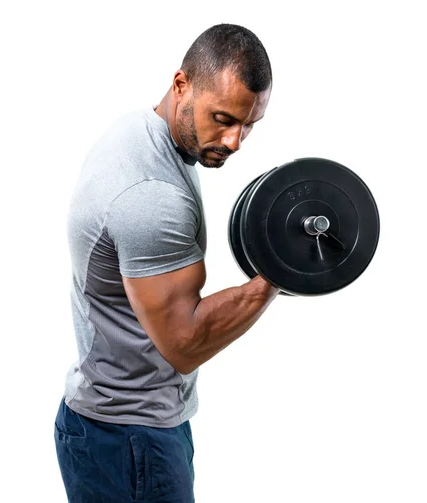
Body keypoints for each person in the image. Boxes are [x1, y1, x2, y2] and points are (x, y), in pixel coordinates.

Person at [54, 24, 278, 503]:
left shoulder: (144, 132)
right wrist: (279, 274)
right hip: (129, 440)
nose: (235, 141)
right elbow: (185, 343)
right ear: (182, 85)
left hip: (125, 425)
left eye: (248, 125)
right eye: (223, 119)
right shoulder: (151, 196)